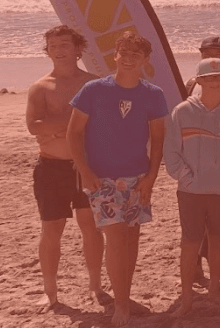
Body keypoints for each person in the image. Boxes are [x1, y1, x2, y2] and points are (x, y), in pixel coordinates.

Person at [66, 31, 168, 327]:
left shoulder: (153, 94)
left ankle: (124, 295)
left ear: (145, 61)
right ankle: (120, 306)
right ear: (115, 56)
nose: (128, 59)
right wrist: (85, 171)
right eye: (123, 53)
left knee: (131, 240)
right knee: (117, 237)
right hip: (102, 178)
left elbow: (158, 140)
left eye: (135, 55)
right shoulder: (93, 90)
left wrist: (151, 177)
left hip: (137, 176)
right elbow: (74, 133)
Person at [26, 25, 107, 310]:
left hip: (86, 166)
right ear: (47, 51)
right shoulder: (40, 87)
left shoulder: (94, 83)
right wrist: (74, 123)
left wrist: (58, 127)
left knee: (91, 227)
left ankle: (96, 285)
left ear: (77, 49)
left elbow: (101, 127)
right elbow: (34, 127)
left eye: (64, 45)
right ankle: (50, 291)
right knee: (51, 228)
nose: (58, 50)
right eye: (52, 46)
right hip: (50, 168)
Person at [164, 57, 220, 316]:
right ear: (199, 81)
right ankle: (187, 297)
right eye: (208, 78)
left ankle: (213, 291)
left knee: (218, 239)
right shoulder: (182, 111)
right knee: (190, 242)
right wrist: (186, 178)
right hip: (191, 192)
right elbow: (171, 153)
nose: (214, 82)